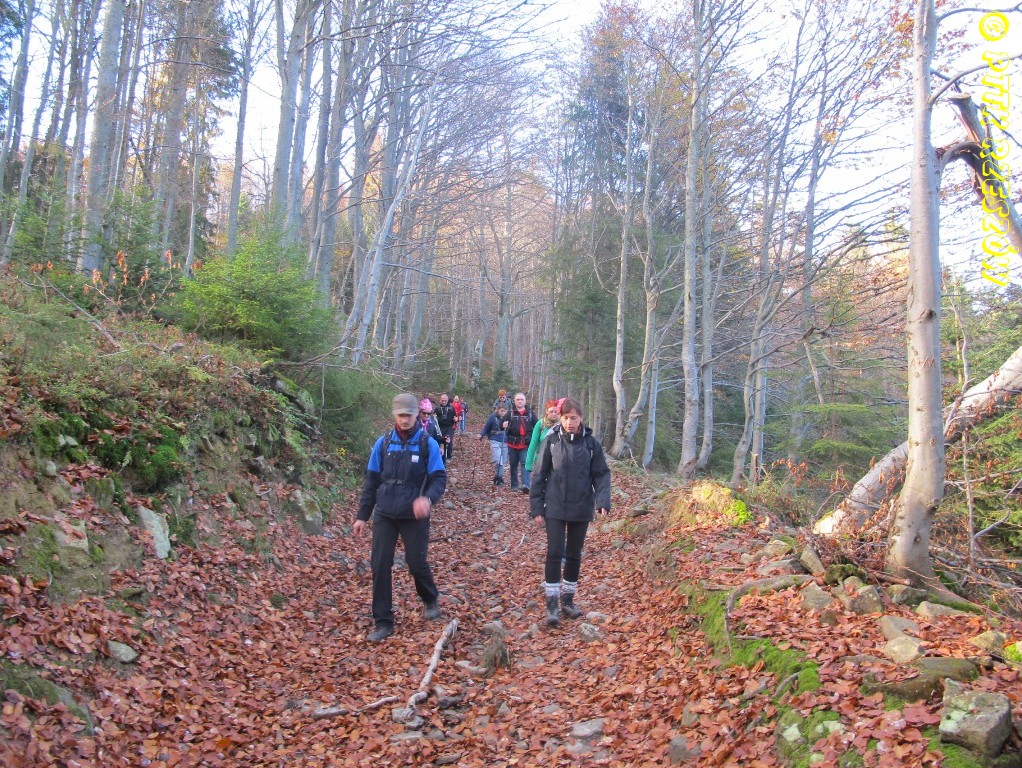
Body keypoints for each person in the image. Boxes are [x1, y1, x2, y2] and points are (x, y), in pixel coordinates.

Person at [353, 393, 448, 643]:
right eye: (400, 415)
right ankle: (383, 621)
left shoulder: (427, 444)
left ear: (417, 415)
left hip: (414, 514)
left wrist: (427, 499)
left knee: (416, 563)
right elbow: (371, 481)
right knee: (379, 564)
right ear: (394, 415)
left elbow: (439, 478)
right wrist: (362, 516)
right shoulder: (383, 443)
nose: (404, 420)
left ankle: (429, 597)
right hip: (385, 512)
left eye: (409, 415)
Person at [529, 397, 611, 627]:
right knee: (555, 552)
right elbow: (539, 474)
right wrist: (536, 507)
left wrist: (603, 501)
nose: (569, 422)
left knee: (574, 554)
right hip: (555, 505)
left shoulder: (591, 444)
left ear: (581, 418)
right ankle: (552, 605)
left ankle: (567, 600)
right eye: (565, 418)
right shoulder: (552, 440)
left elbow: (601, 474)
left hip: (581, 506)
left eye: (573, 418)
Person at [505, 392, 537, 493]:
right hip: (512, 443)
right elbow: (501, 424)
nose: (520, 401)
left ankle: (526, 485)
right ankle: (514, 485)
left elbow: (537, 426)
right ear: (514, 401)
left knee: (525, 464)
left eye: (522, 399)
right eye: (518, 399)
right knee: (513, 465)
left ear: (525, 401)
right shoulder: (510, 413)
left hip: (525, 443)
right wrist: (503, 425)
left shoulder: (530, 413)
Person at [525, 399, 561, 481]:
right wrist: (529, 463)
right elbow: (533, 444)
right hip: (541, 461)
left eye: (556, 411)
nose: (554, 414)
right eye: (551, 411)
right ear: (546, 411)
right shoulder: (541, 424)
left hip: (557, 462)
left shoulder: (562, 425)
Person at [480, 404, 509, 486]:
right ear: (498, 410)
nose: (503, 413)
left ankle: (497, 477)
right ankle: (500, 478)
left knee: (503, 461)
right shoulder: (492, 417)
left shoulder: (508, 418)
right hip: (495, 440)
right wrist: (481, 435)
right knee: (498, 460)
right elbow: (486, 428)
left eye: (505, 411)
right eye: (501, 411)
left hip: (505, 441)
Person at [434, 393, 457, 462]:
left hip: (449, 427)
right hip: (440, 428)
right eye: (442, 400)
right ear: (440, 400)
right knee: (441, 442)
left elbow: (456, 417)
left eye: (445, 400)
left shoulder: (451, 408)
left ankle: (449, 456)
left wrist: (457, 419)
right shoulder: (437, 408)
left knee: (449, 441)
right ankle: (442, 457)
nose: (444, 402)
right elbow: (433, 418)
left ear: (447, 400)